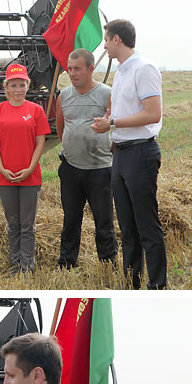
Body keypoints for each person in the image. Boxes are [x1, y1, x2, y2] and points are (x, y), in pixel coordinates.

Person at [92, 18, 167, 290]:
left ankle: (157, 286)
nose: (104, 46)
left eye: (106, 40)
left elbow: (152, 113)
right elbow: (124, 110)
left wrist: (111, 124)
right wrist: (110, 119)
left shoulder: (144, 68)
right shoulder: (122, 71)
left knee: (147, 226)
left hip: (140, 153)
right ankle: (131, 283)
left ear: (117, 40)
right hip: (121, 153)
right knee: (127, 227)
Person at [0, 62, 50, 275]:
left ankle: (27, 267)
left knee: (27, 225)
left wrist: (30, 168)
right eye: (13, 85)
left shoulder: (36, 110)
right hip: (5, 177)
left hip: (30, 176)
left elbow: (40, 142)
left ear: (28, 86)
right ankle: (15, 265)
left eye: (22, 85)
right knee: (13, 224)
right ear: (6, 87)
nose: (18, 90)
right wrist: (2, 169)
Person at [56, 49, 118, 270]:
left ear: (91, 69)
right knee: (71, 220)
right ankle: (67, 263)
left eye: (77, 69)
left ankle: (108, 265)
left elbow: (115, 126)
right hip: (71, 169)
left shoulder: (107, 93)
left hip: (100, 170)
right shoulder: (64, 96)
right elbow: (61, 127)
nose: (72, 73)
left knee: (104, 222)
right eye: (70, 69)